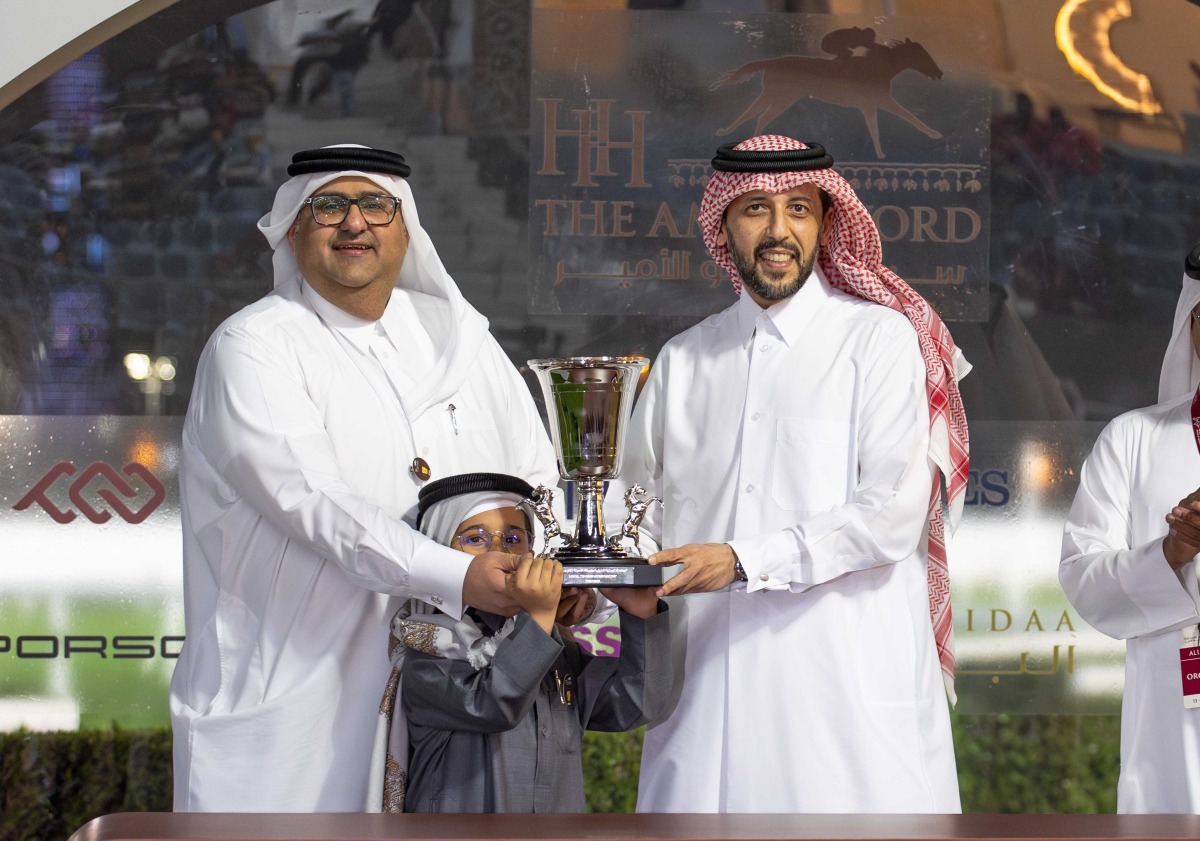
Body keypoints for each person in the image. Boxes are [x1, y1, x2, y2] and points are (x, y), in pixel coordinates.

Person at [169, 144, 559, 812]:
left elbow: (538, 484)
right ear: (294, 227)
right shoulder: (254, 347)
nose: (355, 223)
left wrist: (560, 579)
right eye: (329, 206)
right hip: (296, 708)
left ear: (405, 226)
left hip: (449, 702)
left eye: (376, 204)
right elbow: (312, 500)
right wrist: (460, 574)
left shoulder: (462, 344)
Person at [618, 134, 970, 813]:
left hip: (844, 705)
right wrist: (620, 579)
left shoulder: (880, 340)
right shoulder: (684, 360)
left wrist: (741, 560)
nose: (778, 231)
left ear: (827, 222)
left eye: (799, 210)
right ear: (722, 224)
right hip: (705, 700)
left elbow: (889, 517)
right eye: (754, 208)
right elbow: (637, 518)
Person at [368, 472, 670, 813]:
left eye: (514, 539)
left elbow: (631, 706)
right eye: (475, 539)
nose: (498, 552)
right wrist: (540, 616)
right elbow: (493, 704)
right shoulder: (428, 647)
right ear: (441, 552)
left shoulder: (550, 640)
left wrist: (641, 612)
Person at [1060, 246, 1200, 813]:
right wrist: (1170, 552)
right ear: (1192, 328)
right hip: (1170, 732)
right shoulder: (1132, 439)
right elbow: (1082, 578)